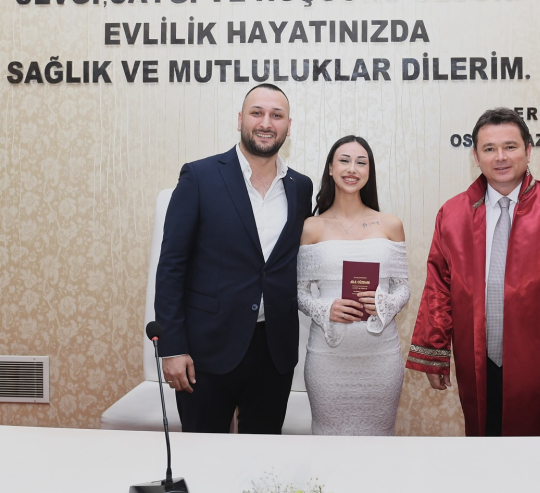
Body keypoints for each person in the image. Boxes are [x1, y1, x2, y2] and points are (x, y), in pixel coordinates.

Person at [406, 107, 540, 437]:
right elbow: (439, 288)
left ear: (528, 150)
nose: (500, 157)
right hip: (479, 366)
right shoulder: (453, 215)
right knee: (488, 454)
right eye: (489, 149)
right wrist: (434, 352)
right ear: (476, 157)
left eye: (510, 146)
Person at [155, 83, 313, 434]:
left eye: (277, 115)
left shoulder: (300, 187)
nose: (266, 123)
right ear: (240, 119)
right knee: (203, 457)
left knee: (263, 459)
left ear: (288, 126)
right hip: (206, 350)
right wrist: (172, 347)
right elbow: (171, 267)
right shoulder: (199, 177)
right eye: (257, 113)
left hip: (274, 353)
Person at [296, 135, 410, 435]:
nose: (352, 169)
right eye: (344, 161)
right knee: (328, 443)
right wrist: (326, 309)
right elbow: (299, 292)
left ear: (369, 171)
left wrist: (384, 303)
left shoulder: (391, 224)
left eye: (361, 162)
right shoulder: (311, 227)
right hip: (327, 358)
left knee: (378, 442)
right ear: (330, 168)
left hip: (381, 359)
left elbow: (403, 288)